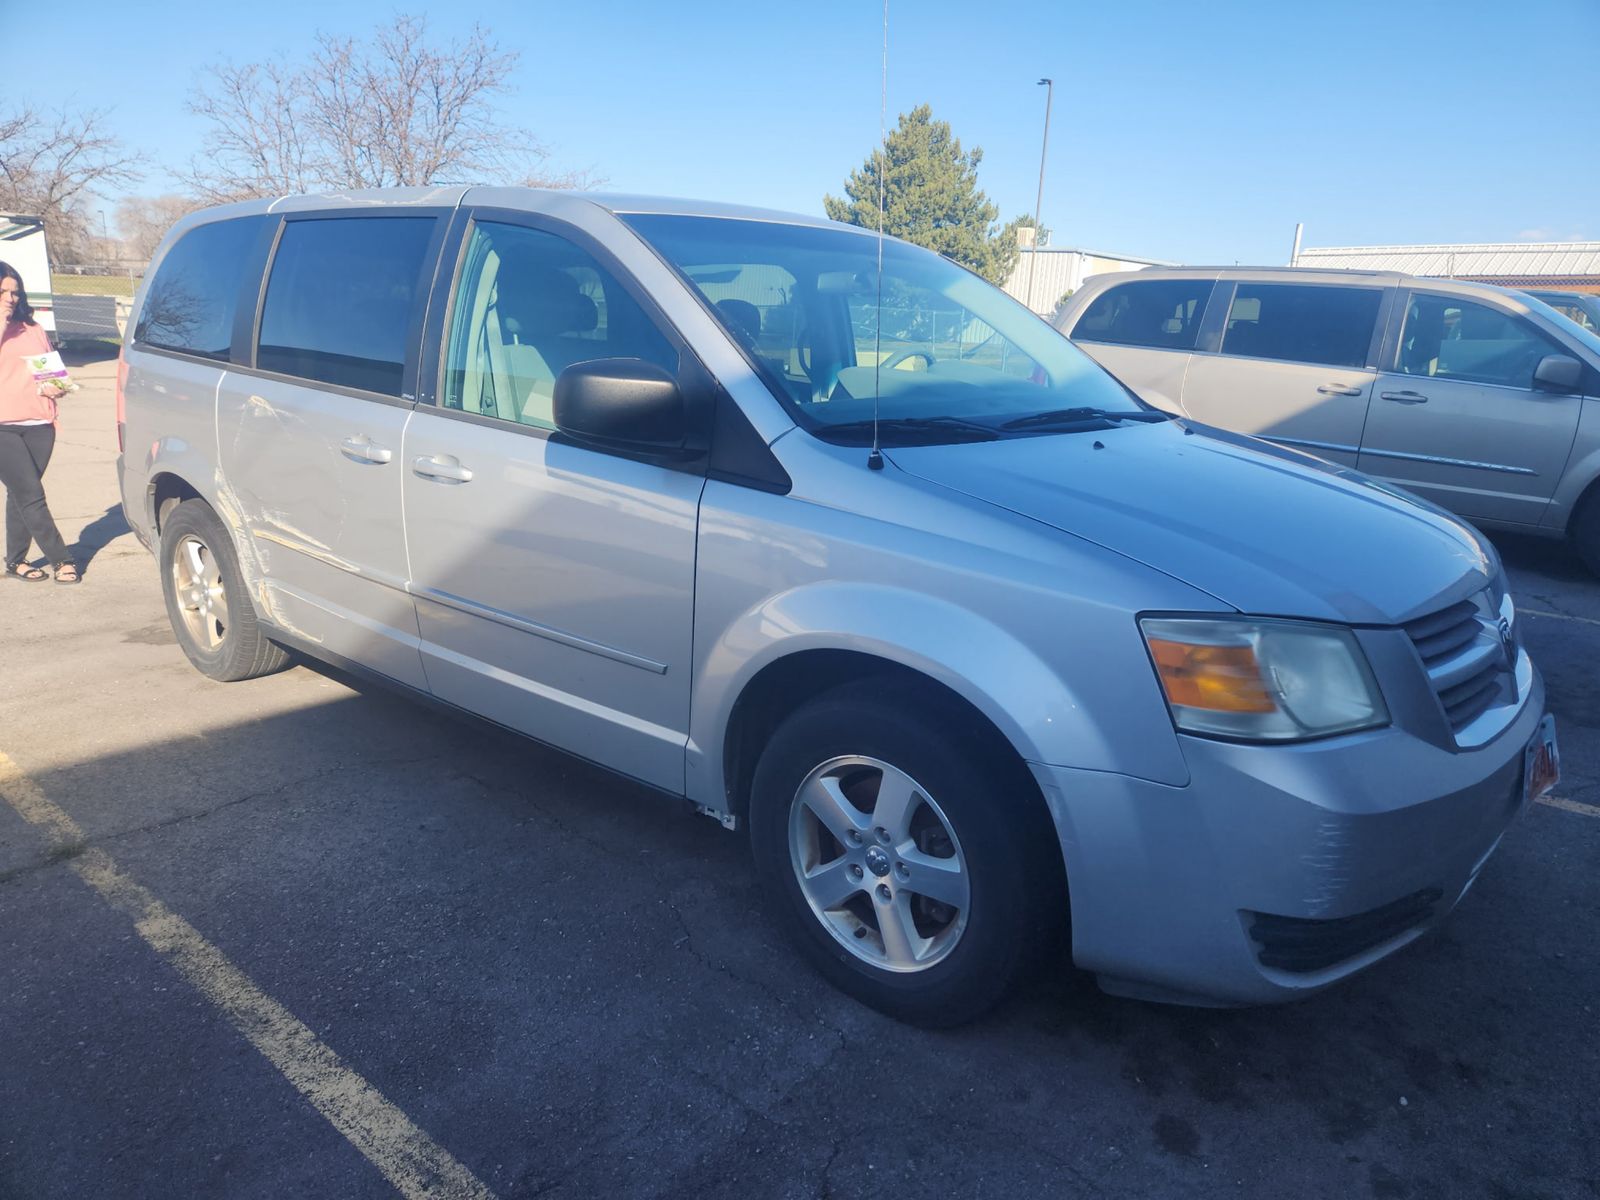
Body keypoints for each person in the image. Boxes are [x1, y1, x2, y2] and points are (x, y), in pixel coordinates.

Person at [0, 261, 77, 583]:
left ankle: (16, 560)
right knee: (32, 494)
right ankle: (62, 559)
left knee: (21, 493)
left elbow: (51, 371)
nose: (10, 298)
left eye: (15, 292)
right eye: (3, 291)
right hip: (3, 427)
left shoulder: (32, 329)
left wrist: (57, 386)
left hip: (40, 424)